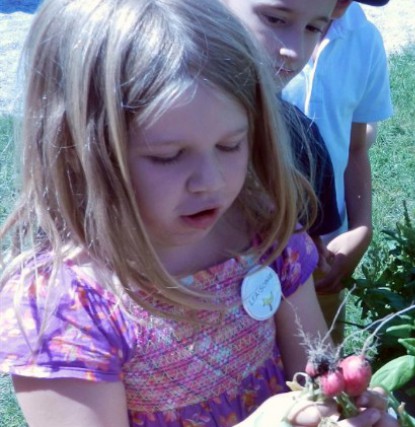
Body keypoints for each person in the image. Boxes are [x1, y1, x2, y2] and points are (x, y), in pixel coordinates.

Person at [0, 0, 394, 426]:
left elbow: (315, 376)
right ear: (81, 151)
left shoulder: (265, 235)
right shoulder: (65, 310)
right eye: (168, 156)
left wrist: (342, 411)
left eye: (231, 145)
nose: (212, 181)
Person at [281, 0, 394, 339]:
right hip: (253, 247)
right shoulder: (265, 34)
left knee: (321, 361)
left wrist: (361, 227)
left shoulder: (364, 40)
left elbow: (355, 146)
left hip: (325, 249)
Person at [222, 0, 342, 256]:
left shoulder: (304, 142)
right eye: (275, 19)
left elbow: (310, 252)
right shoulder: (144, 120)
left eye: (313, 28)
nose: (295, 52)